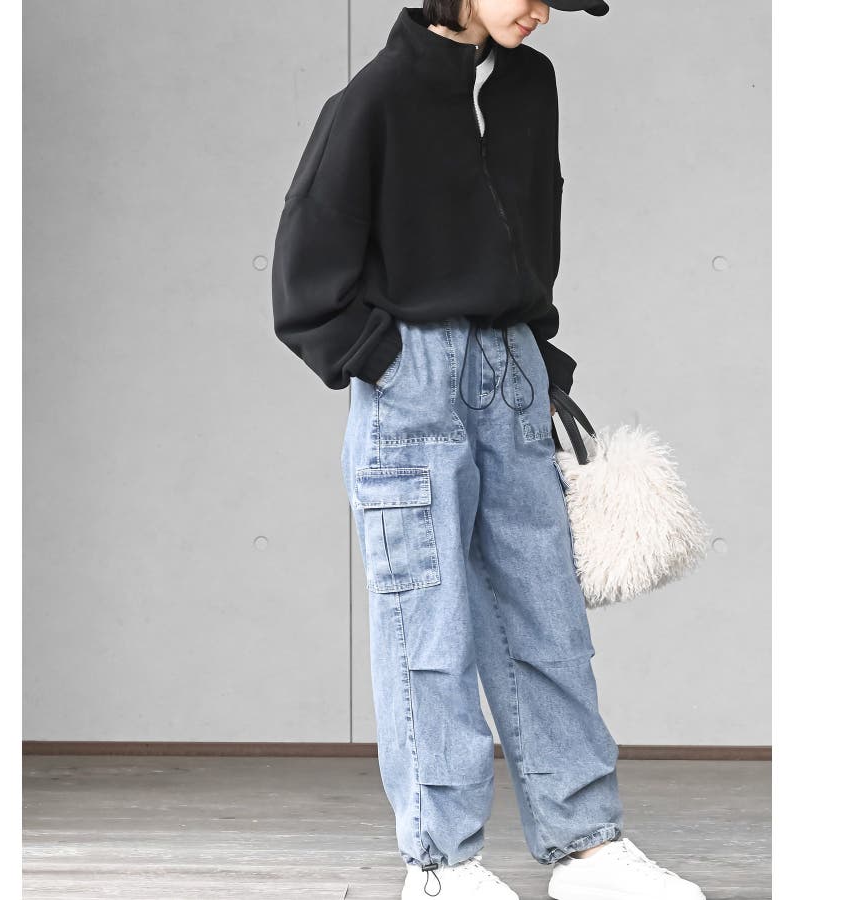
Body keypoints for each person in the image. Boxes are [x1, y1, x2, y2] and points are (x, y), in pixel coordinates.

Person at [271, 3, 707, 899]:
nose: (540, 8)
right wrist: (387, 362)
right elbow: (304, 276)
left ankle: (587, 848)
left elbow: (531, 233)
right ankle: (442, 865)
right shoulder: (377, 98)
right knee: (425, 629)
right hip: (412, 377)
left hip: (510, 371)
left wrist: (533, 354)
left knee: (548, 620)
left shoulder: (531, 84)